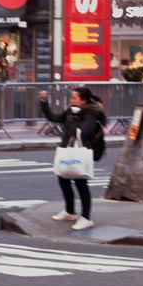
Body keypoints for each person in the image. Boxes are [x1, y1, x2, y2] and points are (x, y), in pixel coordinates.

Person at [40, 87, 108, 231]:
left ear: (83, 100)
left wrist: (73, 120)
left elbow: (85, 132)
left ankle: (86, 218)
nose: (71, 100)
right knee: (63, 179)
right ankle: (70, 211)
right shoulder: (72, 110)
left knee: (81, 184)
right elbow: (54, 117)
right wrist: (44, 103)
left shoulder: (90, 114)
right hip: (68, 150)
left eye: (74, 98)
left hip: (80, 152)